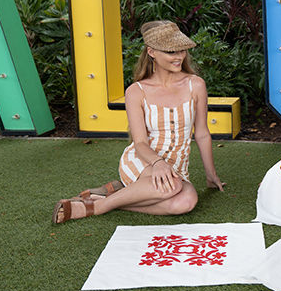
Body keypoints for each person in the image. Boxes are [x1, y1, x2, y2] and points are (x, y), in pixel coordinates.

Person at [52, 21, 224, 224]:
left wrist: (210, 173)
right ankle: (96, 207)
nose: (179, 57)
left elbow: (202, 133)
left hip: (177, 168)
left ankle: (114, 196)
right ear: (152, 52)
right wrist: (158, 163)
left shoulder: (195, 85)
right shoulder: (136, 91)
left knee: (186, 202)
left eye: (182, 51)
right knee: (173, 187)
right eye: (171, 52)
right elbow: (140, 142)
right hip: (142, 161)